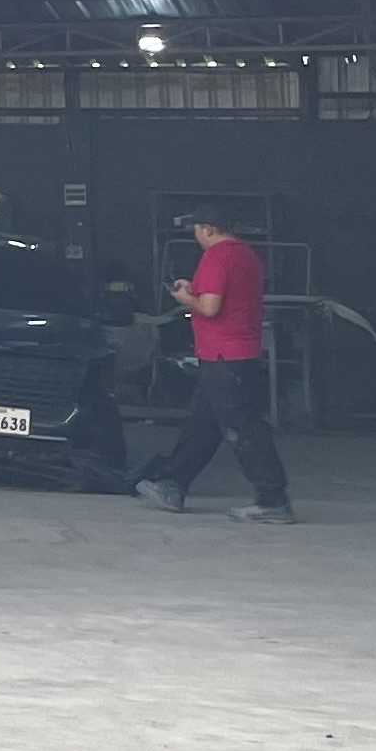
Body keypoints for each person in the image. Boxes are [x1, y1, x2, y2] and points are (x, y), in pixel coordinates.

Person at [133, 211, 294, 522]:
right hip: (236, 354)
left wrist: (185, 298)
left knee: (244, 429)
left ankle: (273, 498)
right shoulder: (248, 256)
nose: (195, 235)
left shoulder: (215, 256)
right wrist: (194, 288)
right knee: (202, 425)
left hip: (224, 357)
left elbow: (210, 307)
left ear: (207, 229)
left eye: (196, 228)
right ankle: (173, 483)